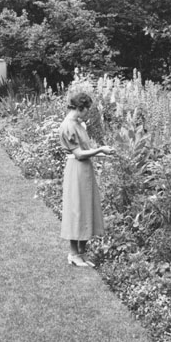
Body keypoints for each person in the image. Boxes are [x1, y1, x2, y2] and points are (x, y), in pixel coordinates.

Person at [58, 92, 113, 267]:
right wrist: (100, 150)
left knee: (87, 208)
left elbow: (85, 150)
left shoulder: (79, 123)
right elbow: (79, 154)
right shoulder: (68, 126)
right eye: (86, 110)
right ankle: (73, 254)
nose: (88, 114)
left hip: (85, 170)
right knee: (77, 210)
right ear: (79, 108)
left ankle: (81, 253)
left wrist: (102, 153)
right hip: (76, 171)